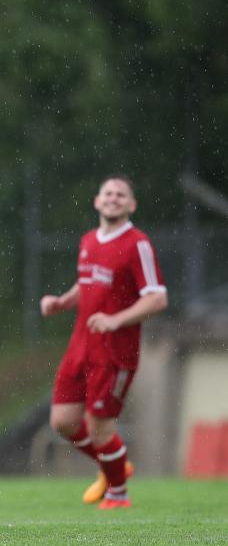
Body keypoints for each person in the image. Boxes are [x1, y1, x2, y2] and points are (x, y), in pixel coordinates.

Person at [41, 175, 167, 509]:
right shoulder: (88, 240)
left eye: (120, 194)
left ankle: (118, 495)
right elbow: (88, 282)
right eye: (107, 193)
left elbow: (157, 298)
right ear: (97, 201)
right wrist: (63, 301)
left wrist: (116, 319)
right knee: (63, 422)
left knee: (101, 429)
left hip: (115, 352)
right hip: (80, 345)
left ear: (131, 204)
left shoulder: (137, 243)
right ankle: (114, 465)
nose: (113, 198)